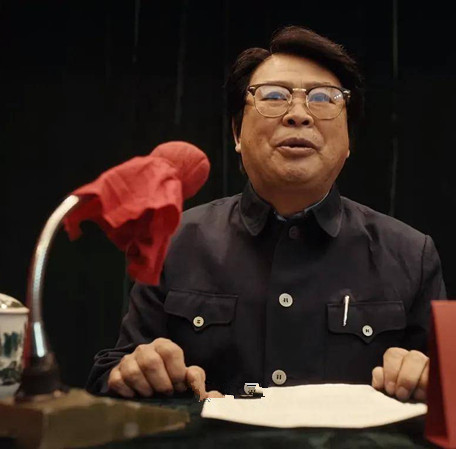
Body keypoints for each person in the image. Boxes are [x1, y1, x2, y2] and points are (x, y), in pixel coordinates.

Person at [86, 26, 446, 402]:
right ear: (237, 133)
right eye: (274, 96)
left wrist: (430, 382)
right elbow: (113, 376)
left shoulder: (411, 254)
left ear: (348, 141)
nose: (298, 115)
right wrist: (137, 374)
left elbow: (446, 398)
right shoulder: (176, 243)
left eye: (324, 98)